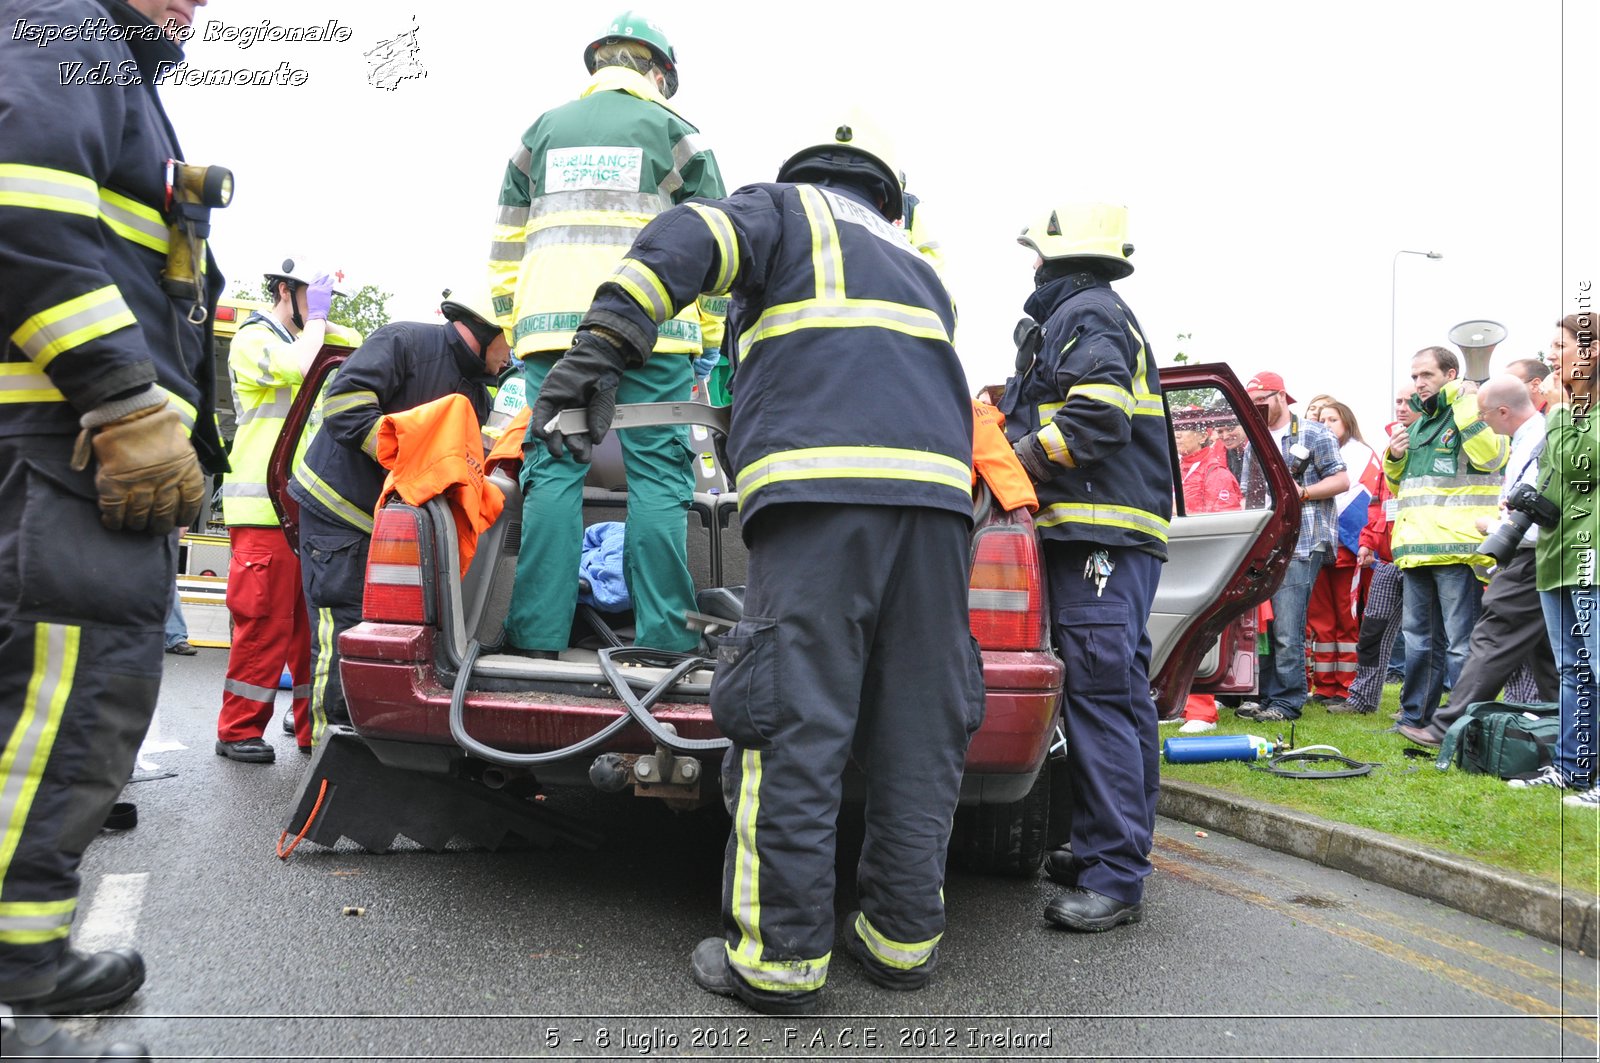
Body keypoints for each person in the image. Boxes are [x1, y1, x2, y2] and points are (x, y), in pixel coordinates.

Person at [521, 115, 981, 1012]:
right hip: (935, 509)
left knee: (791, 724)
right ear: (885, 196)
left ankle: (777, 959)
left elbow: (688, 234)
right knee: (920, 728)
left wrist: (604, 346)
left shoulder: (786, 213)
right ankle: (901, 941)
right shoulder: (923, 269)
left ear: (813, 178)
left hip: (820, 497)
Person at [0, 0, 223, 1057]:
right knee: (64, 708)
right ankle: (21, 963)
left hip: (70, 443)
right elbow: (17, 206)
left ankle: (27, 946)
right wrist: (123, 399)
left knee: (42, 711)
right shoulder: (60, 26)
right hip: (70, 444)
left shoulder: (106, 67)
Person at [491, 11, 726, 659]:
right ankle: (663, 641)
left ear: (600, 64)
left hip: (550, 339)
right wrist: (705, 342)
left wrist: (522, 325)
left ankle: (536, 635)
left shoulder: (538, 135)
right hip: (655, 336)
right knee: (657, 480)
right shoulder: (680, 138)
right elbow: (715, 254)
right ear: (657, 71)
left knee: (555, 476)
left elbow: (506, 246)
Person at [1000, 203, 1172, 934]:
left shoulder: (1087, 312)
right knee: (1122, 696)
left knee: (1101, 697)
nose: (1031, 266)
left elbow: (1096, 416)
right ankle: (1114, 848)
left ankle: (1116, 877)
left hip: (1100, 534)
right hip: (1112, 533)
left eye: (1036, 253)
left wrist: (1018, 461)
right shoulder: (1094, 311)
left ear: (1056, 258)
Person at [288, 290, 510, 742]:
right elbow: (343, 406)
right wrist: (404, 457)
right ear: (487, 330)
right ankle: (331, 749)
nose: (515, 356)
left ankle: (369, 741)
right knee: (343, 628)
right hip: (340, 513)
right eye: (513, 341)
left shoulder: (475, 395)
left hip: (391, 530)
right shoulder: (404, 342)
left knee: (388, 636)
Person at [216, 257, 349, 763]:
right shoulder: (254, 338)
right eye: (309, 295)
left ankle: (309, 723)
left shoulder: (304, 336)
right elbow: (298, 364)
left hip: (298, 508)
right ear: (283, 290)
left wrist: (323, 313)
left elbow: (347, 345)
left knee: (306, 628)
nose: (319, 308)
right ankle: (237, 729)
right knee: (265, 624)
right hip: (262, 510)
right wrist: (315, 319)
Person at [1398, 374, 1557, 746]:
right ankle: (1571, 735)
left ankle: (1446, 726)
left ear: (1503, 411)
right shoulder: (1533, 437)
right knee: (1547, 654)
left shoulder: (1537, 441)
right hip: (1538, 555)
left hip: (1528, 556)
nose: (1482, 421)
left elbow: (1538, 506)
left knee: (1492, 637)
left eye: (1485, 415)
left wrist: (1497, 526)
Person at [1385, 347, 1508, 733]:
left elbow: (1491, 458)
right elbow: (1403, 489)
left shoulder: (1472, 410)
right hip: (1416, 550)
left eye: (1427, 376)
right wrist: (1394, 459)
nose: (1419, 384)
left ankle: (1463, 725)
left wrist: (1465, 401)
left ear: (1451, 374)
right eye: (1415, 376)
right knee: (1419, 643)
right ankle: (1414, 717)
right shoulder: (1419, 425)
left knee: (1460, 645)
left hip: (1459, 550)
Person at [1515, 315, 1599, 800]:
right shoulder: (1564, 412)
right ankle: (1572, 770)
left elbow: (1581, 463)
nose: (1550, 355)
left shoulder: (1570, 412)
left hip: (1593, 557)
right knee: (1572, 670)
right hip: (1558, 555)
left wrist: (1563, 408)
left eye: (1560, 345)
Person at [1238, 372, 1349, 722]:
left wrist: (1301, 493)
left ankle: (1287, 701)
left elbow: (1342, 479)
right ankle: (1267, 696)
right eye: (1251, 403)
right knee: (1266, 627)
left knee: (1288, 625)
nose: (1256, 409)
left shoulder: (1316, 433)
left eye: (1261, 402)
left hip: (1303, 542)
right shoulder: (1251, 441)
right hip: (1265, 544)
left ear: (1281, 396)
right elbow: (1248, 495)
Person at [1171, 408, 1241, 732]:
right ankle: (1177, 704)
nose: (1178, 435)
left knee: (1199, 637)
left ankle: (1203, 711)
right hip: (1175, 562)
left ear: (1203, 433)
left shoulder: (1216, 472)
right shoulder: (1176, 468)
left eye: (1184, 429)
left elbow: (1223, 525)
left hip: (1202, 567)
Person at [1309, 401, 1380, 706]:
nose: (1326, 425)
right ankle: (1324, 687)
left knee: (1347, 619)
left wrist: (1364, 541)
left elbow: (1369, 502)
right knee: (1321, 620)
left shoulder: (1363, 456)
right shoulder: (1312, 454)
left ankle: (1347, 687)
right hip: (1318, 545)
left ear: (1347, 422)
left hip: (1348, 550)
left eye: (1333, 419)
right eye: (1322, 420)